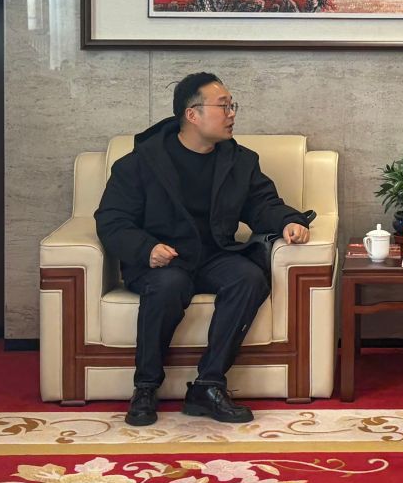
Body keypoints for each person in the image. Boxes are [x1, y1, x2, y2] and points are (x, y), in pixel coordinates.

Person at [95, 73, 312, 428]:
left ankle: (208, 385)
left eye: (232, 105)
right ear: (192, 114)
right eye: (223, 106)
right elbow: (112, 220)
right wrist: (146, 249)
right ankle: (146, 387)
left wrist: (289, 221)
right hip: (162, 260)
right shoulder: (140, 162)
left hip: (213, 255)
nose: (232, 113)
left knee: (249, 278)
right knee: (169, 285)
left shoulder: (239, 161)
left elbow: (262, 205)